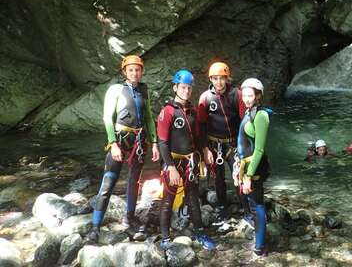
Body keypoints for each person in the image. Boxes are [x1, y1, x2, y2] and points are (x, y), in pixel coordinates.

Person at [86, 55, 160, 243]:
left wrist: (154, 142)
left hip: (139, 141)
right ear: (124, 72)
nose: (135, 73)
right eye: (131, 70)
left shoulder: (144, 90)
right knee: (108, 184)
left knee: (134, 181)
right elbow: (107, 118)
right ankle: (95, 227)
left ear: (142, 71)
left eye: (138, 70)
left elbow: (149, 117)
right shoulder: (115, 90)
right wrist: (113, 144)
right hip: (121, 140)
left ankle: (129, 217)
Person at [156, 70, 216, 250]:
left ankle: (199, 232)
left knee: (192, 197)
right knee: (168, 199)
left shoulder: (192, 112)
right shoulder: (168, 112)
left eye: (189, 88)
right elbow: (162, 142)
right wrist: (170, 167)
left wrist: (205, 152)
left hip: (190, 162)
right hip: (173, 162)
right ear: (175, 87)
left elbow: (198, 137)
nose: (186, 91)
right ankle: (165, 237)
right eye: (183, 87)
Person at [197, 62, 245, 217]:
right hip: (214, 144)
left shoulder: (236, 94)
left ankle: (246, 209)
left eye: (222, 78)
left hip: (232, 143)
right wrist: (204, 149)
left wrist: (243, 144)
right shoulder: (205, 98)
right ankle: (222, 207)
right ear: (211, 79)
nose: (219, 82)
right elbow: (201, 125)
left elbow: (243, 119)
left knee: (238, 175)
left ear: (227, 78)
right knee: (218, 178)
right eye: (215, 78)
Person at [235, 78, 270, 258]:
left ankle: (260, 246)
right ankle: (260, 240)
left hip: (254, 167)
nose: (247, 99)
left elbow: (259, 149)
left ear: (258, 96)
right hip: (247, 165)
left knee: (257, 204)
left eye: (251, 95)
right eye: (245, 95)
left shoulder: (261, 116)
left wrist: (248, 175)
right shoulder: (249, 112)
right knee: (252, 202)